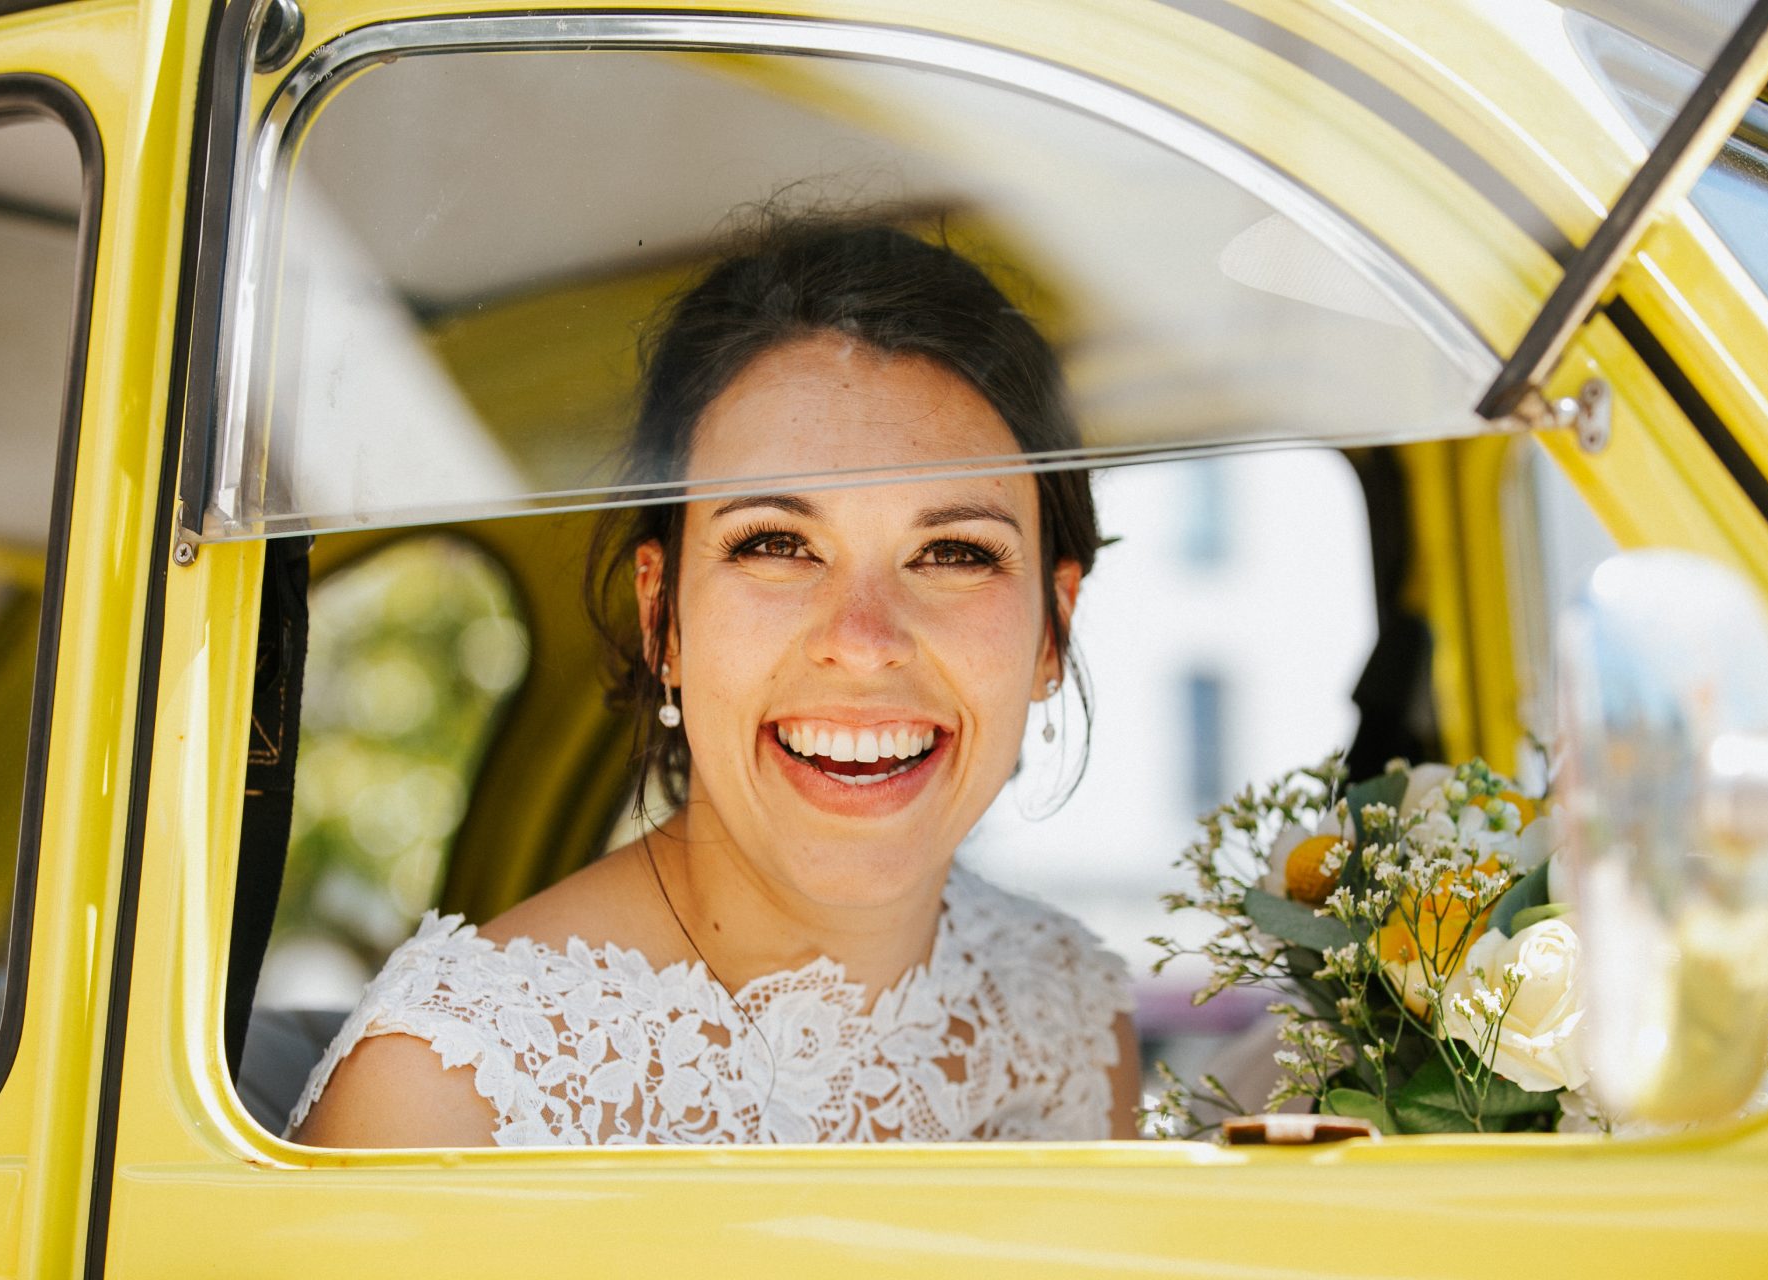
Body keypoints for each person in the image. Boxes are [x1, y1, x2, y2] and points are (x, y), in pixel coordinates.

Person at [289, 214, 1139, 1146]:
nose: (862, 643)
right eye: (775, 544)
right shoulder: (444, 1089)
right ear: (664, 619)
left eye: (953, 553)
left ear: (1051, 630)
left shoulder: (1073, 1014)